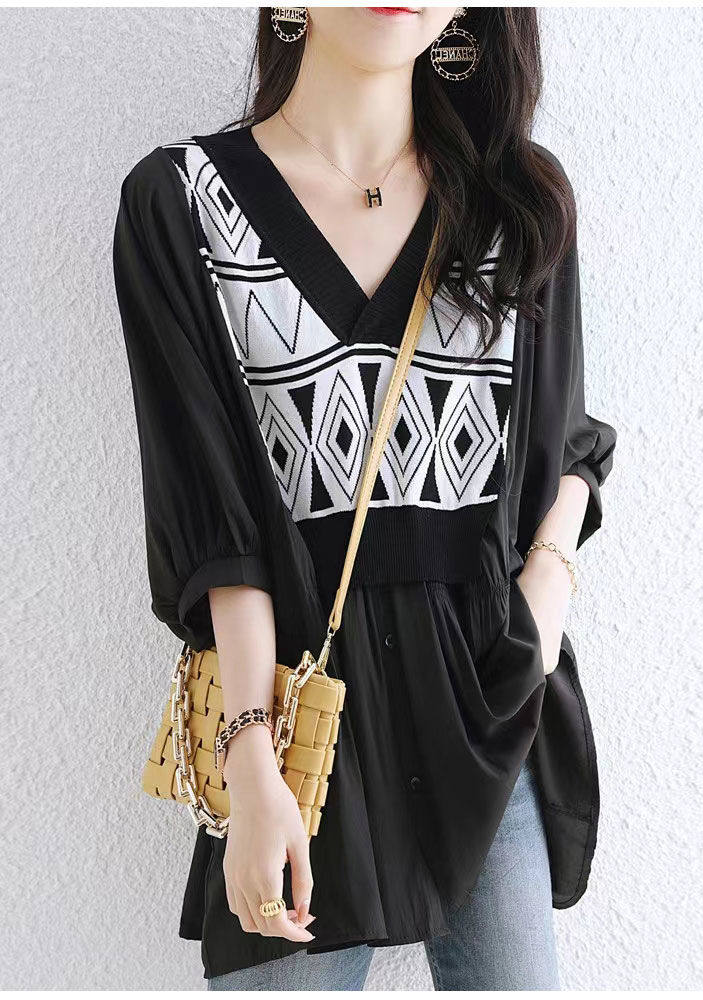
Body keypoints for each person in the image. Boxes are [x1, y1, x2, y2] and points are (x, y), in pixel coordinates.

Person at [112, 6, 616, 991]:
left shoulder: (514, 197)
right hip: (300, 728)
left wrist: (543, 600)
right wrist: (250, 758)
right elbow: (214, 517)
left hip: (490, 706)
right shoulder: (183, 202)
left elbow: (565, 444)